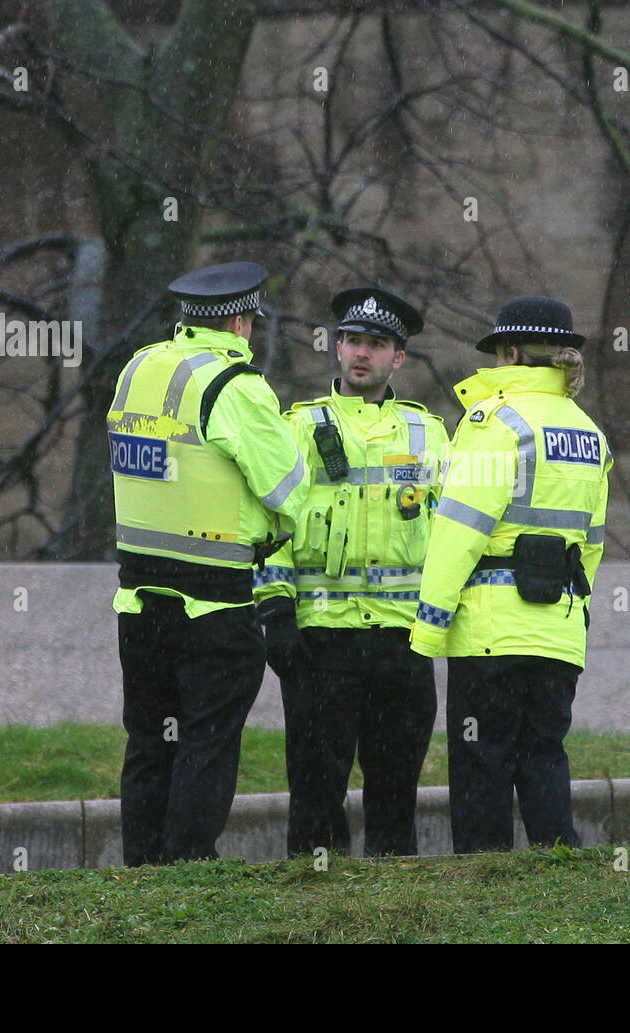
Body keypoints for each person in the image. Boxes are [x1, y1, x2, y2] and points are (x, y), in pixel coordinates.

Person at [107, 260, 310, 866]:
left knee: (148, 740)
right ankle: (190, 862)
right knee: (207, 739)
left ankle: (142, 865)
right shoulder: (236, 387)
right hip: (215, 602)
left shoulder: (137, 368)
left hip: (137, 596)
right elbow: (289, 489)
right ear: (243, 323)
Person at [409, 296, 612, 854]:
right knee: (545, 755)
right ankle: (561, 875)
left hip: (491, 633)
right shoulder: (587, 431)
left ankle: (483, 885)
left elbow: (459, 529)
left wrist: (428, 627)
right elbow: (591, 545)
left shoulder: (494, 422)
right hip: (559, 629)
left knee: (482, 762)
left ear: (513, 353)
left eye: (499, 356)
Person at [253, 287, 449, 856]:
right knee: (315, 788)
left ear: (399, 358)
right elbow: (270, 528)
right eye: (353, 341)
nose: (362, 353)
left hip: (402, 641)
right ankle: (315, 905)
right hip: (321, 638)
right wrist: (276, 616)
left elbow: (449, 534)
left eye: (378, 344)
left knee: (396, 788)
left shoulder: (428, 433)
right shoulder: (296, 429)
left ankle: (393, 906)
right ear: (337, 348)